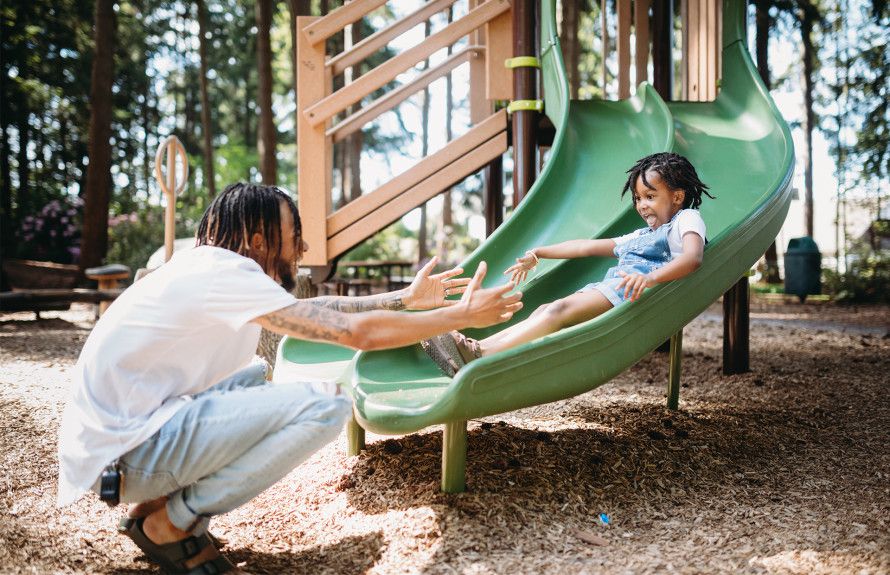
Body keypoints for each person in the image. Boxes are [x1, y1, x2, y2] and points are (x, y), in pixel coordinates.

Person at [57, 182, 523, 575]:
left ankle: (153, 508)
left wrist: (404, 300)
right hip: (126, 456)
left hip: (121, 446)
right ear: (260, 239)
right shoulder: (225, 274)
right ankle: (173, 522)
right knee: (328, 404)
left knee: (255, 373)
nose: (302, 249)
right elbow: (356, 333)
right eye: (294, 234)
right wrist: (460, 315)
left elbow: (318, 309)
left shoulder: (209, 268)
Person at [422, 152, 713, 377]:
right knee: (545, 310)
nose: (642, 205)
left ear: (677, 196)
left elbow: (692, 258)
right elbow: (585, 247)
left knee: (557, 311)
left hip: (634, 292)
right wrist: (540, 253)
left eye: (650, 196)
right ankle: (475, 348)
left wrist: (651, 278)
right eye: (638, 198)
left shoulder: (687, 219)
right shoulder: (640, 236)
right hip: (613, 288)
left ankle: (479, 357)